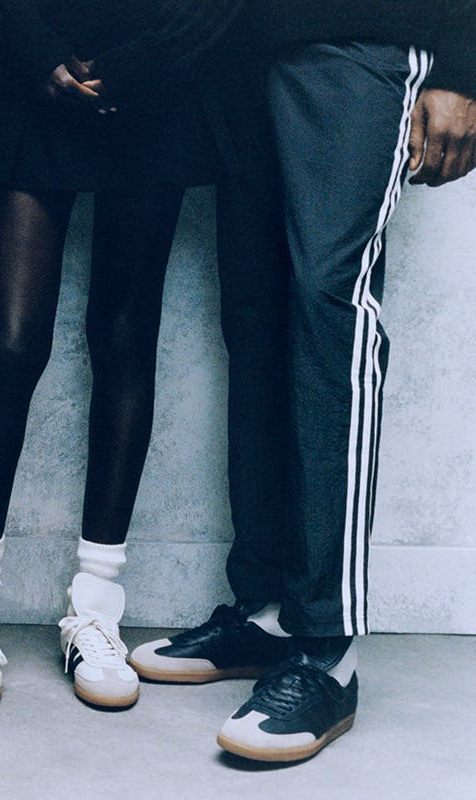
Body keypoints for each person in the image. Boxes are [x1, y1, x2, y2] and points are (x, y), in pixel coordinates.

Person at [130, 0, 476, 762]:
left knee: (331, 313)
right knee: (255, 321)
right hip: (238, 53)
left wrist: (463, 65)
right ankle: (267, 615)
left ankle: (328, 648)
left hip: (361, 41)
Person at [0, 0, 255, 710]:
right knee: (13, 343)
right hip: (29, 71)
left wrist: (140, 65)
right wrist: (37, 50)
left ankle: (95, 607)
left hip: (157, 84)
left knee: (125, 338)